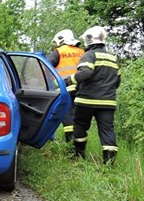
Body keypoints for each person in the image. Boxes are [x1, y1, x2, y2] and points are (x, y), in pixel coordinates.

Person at [64, 26, 120, 165]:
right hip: (108, 103)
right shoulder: (113, 58)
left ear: (89, 39)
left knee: (80, 126)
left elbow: (85, 73)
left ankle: (79, 155)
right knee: (107, 131)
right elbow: (117, 81)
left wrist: (67, 81)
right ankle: (108, 165)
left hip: (86, 100)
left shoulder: (90, 55)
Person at [47, 29, 84, 142]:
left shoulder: (59, 51)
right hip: (82, 90)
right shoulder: (82, 52)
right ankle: (79, 143)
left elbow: (46, 66)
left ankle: (70, 142)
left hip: (65, 88)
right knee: (79, 118)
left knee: (67, 116)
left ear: (61, 39)